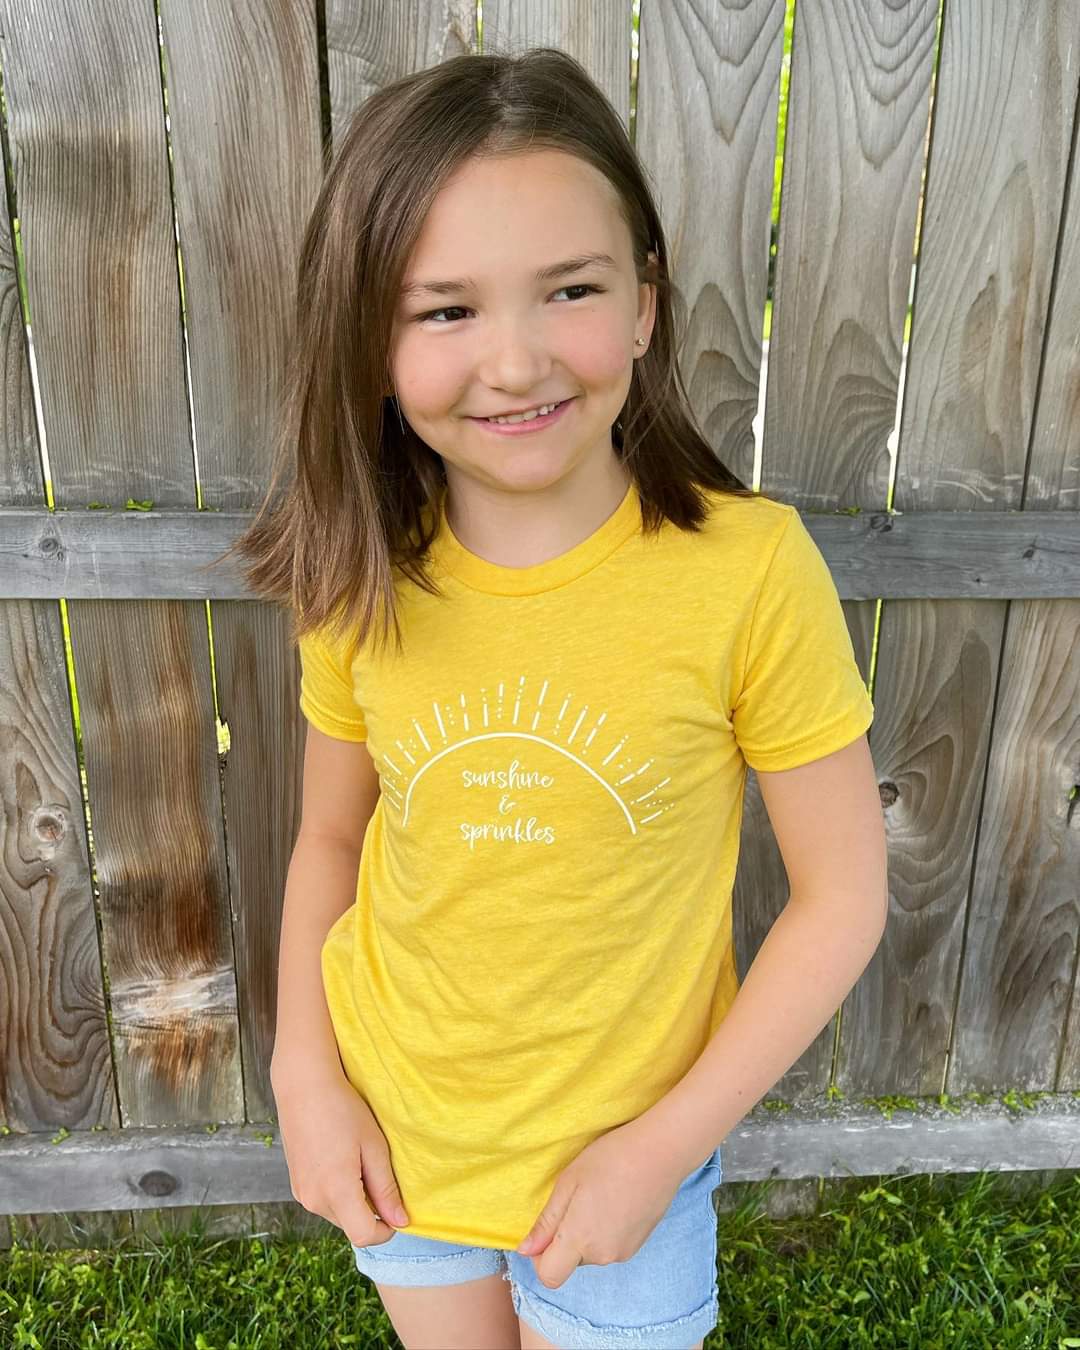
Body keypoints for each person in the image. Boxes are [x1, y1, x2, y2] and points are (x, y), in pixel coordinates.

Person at [224, 43, 886, 1350]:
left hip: (626, 1155)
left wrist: (662, 1146)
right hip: (399, 1131)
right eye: (445, 309)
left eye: (567, 289)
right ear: (369, 336)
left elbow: (843, 894)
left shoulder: (746, 573)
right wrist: (305, 1074)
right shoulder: (360, 570)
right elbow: (330, 839)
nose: (515, 360)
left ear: (644, 302)